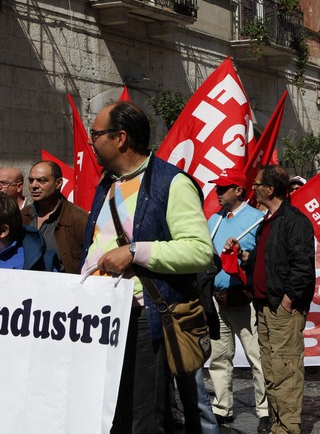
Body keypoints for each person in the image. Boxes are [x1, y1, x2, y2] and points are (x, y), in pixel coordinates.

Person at [81, 101, 213, 434]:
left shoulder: (172, 183)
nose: (90, 142)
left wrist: (135, 252)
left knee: (143, 420)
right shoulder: (107, 183)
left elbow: (200, 252)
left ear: (120, 138)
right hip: (101, 316)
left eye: (95, 134)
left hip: (142, 318)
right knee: (111, 416)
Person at [227, 165, 315, 434]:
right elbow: (263, 263)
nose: (253, 189)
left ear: (270, 189)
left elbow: (302, 268)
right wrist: (243, 255)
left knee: (285, 370)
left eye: (256, 184)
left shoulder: (295, 221)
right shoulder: (267, 222)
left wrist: (287, 301)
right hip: (265, 307)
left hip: (281, 310)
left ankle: (288, 428)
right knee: (271, 370)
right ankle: (278, 425)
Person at [206, 168, 269, 431]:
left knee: (257, 357)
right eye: (217, 188)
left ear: (239, 190)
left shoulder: (258, 219)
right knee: (219, 356)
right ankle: (222, 408)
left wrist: (242, 255)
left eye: (223, 188)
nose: (217, 192)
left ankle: (265, 411)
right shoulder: (213, 220)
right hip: (217, 298)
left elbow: (262, 260)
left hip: (244, 298)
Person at [22, 161, 89, 274]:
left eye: (42, 180)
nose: (34, 185)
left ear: (58, 183)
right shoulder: (22, 216)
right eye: (31, 180)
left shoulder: (79, 219)